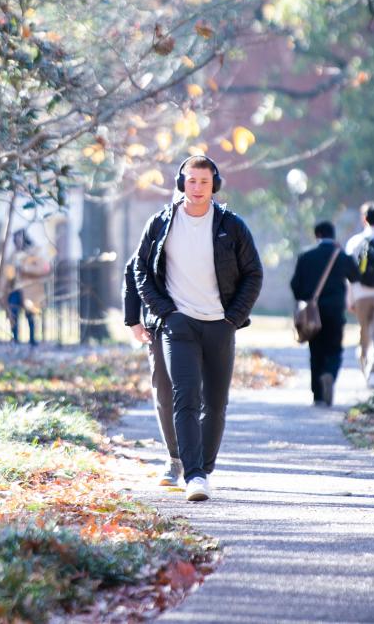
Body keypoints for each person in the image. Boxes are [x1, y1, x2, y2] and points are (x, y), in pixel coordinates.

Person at [134, 154, 263, 502]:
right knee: (184, 397)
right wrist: (166, 313)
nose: (196, 188)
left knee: (216, 404)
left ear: (214, 186)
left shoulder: (231, 226)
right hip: (179, 325)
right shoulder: (161, 223)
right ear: (180, 183)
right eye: (191, 180)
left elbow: (253, 273)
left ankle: (203, 468)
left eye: (203, 182)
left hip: (219, 324)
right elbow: (140, 270)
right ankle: (192, 475)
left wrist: (232, 318)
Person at [123, 257, 181, 487]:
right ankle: (175, 458)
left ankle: (198, 460)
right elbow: (132, 268)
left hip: (202, 321)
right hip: (159, 323)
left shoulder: (217, 225)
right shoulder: (159, 225)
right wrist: (132, 320)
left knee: (199, 392)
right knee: (164, 391)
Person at [291, 221, 360, 407]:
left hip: (313, 313)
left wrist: (305, 300)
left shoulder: (306, 257)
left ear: (317, 235)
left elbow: (295, 285)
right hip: (335, 311)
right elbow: (356, 277)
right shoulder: (341, 257)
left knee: (316, 352)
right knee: (334, 349)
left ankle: (318, 396)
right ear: (333, 235)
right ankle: (330, 372)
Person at [345, 202, 374, 388]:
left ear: (364, 218)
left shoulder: (355, 242)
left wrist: (349, 299)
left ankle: (365, 367)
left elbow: (349, 275)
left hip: (360, 294)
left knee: (364, 332)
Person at [6, 230, 50, 347]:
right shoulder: (14, 254)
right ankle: (15, 339)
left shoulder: (35, 253)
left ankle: (33, 341)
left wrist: (25, 268)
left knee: (30, 315)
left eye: (19, 239)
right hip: (15, 289)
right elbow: (8, 271)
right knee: (13, 312)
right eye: (15, 239)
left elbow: (44, 269)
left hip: (30, 289)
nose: (17, 242)